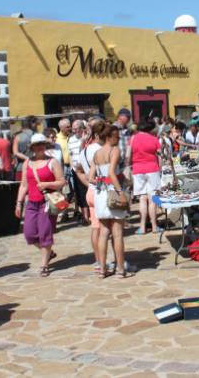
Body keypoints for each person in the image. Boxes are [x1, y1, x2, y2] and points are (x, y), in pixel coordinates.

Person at [15, 133, 66, 277]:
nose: (39, 148)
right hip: (31, 203)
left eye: (42, 145)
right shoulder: (27, 163)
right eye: (36, 145)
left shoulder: (53, 162)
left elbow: (61, 181)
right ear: (32, 147)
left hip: (47, 202)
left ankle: (44, 264)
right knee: (29, 234)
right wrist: (18, 203)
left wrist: (47, 184)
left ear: (45, 146)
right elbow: (24, 185)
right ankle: (49, 252)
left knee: (45, 233)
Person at [89, 125, 131, 279]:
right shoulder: (114, 151)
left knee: (103, 233)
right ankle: (120, 270)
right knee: (118, 233)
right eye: (116, 136)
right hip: (113, 191)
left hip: (100, 193)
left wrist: (101, 181)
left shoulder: (96, 153)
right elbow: (112, 173)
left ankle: (102, 269)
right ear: (109, 136)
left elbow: (90, 177)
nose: (118, 139)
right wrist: (121, 192)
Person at [75, 119, 108, 271]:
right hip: (101, 189)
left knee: (95, 228)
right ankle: (104, 262)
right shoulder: (99, 149)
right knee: (106, 230)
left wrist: (88, 183)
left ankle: (98, 260)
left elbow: (78, 170)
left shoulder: (84, 150)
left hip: (91, 190)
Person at [130, 119, 162, 235]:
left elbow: (129, 154)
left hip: (137, 169)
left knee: (142, 199)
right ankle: (154, 226)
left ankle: (142, 227)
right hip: (152, 169)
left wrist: (130, 167)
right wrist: (161, 169)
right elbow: (159, 156)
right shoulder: (154, 139)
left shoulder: (133, 138)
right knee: (152, 199)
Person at [12, 116, 39, 181]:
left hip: (21, 167)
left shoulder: (18, 137)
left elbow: (15, 153)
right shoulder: (38, 136)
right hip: (36, 166)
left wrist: (27, 158)